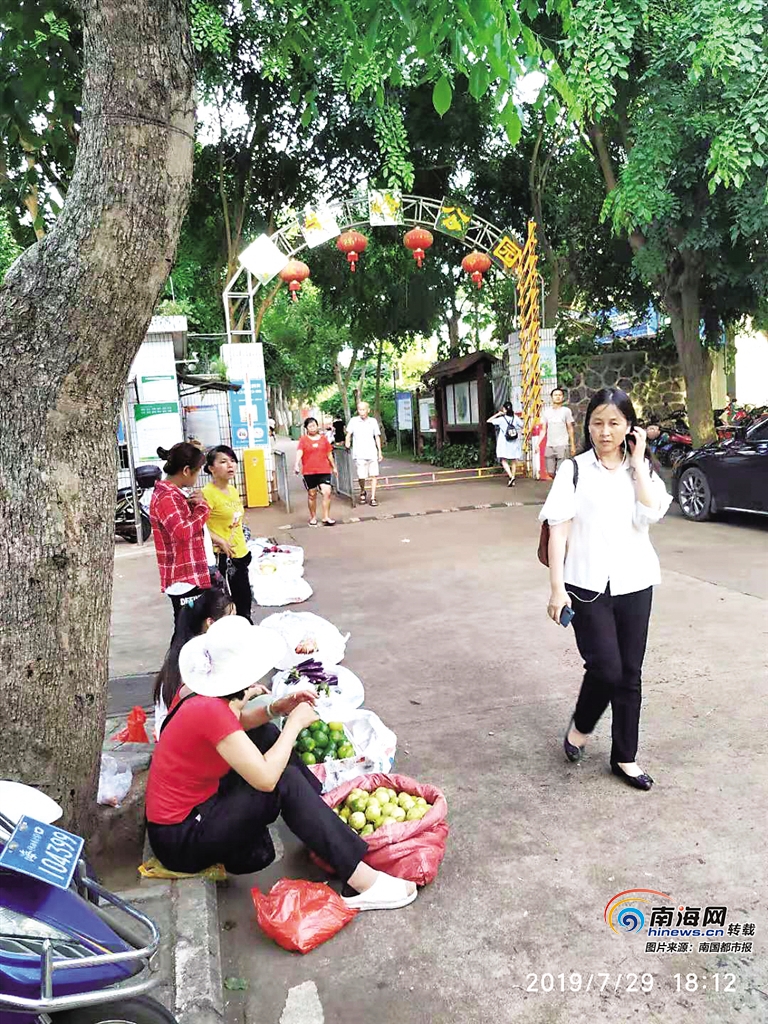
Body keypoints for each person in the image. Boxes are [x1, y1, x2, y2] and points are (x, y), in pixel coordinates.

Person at [145, 616, 417, 911]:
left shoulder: (197, 693)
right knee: (283, 782)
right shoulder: (209, 710)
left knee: (265, 734)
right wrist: (294, 725)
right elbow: (266, 780)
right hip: (182, 839)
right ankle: (361, 882)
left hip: (197, 807)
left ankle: (322, 820)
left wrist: (276, 709)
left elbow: (234, 724)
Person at [539, 387, 671, 791]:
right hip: (586, 584)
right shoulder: (574, 470)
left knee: (630, 673)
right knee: (606, 668)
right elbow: (558, 531)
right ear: (588, 426)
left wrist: (638, 462)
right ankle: (581, 726)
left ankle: (625, 758)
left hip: (636, 581)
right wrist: (557, 589)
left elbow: (651, 513)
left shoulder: (641, 470)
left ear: (629, 426)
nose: (605, 431)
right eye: (597, 422)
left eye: (614, 423)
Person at [152, 588, 237, 739]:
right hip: (187, 738)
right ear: (210, 623)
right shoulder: (201, 661)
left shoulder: (182, 654)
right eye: (231, 619)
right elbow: (226, 713)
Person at [150, 443, 212, 636]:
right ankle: (178, 657)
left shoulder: (175, 493)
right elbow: (182, 531)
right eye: (197, 471)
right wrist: (203, 509)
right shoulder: (167, 497)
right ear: (186, 470)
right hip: (184, 579)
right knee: (188, 635)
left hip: (191, 575)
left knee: (195, 631)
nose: (197, 476)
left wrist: (197, 503)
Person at [202, 445, 253, 621]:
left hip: (240, 555)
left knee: (244, 603)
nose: (230, 465)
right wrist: (219, 540)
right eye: (223, 462)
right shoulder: (207, 494)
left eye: (232, 460)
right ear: (211, 468)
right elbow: (198, 526)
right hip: (222, 558)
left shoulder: (233, 490)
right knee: (224, 608)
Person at [294, 417, 337, 526]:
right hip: (309, 471)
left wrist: (334, 467)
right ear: (306, 428)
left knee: (327, 492)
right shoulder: (303, 440)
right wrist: (296, 464)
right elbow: (300, 452)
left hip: (324, 470)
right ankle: (313, 516)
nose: (313, 428)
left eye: (314, 425)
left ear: (317, 426)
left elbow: (329, 454)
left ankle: (326, 517)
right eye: (310, 426)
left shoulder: (323, 439)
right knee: (312, 494)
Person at [345, 401, 383, 506]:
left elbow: (377, 436)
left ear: (368, 410)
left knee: (374, 475)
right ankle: (362, 491)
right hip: (359, 453)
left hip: (372, 452)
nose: (361, 412)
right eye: (359, 410)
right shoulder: (353, 421)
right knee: (361, 476)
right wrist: (347, 442)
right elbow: (348, 434)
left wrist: (379, 451)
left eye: (363, 410)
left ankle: (373, 497)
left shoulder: (373, 421)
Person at [540, 388, 576, 478]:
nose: (558, 397)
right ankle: (558, 482)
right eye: (555, 395)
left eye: (560, 395)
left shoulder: (566, 411)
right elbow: (543, 430)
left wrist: (572, 445)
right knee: (550, 472)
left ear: (562, 397)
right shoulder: (546, 412)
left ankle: (561, 485)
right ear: (551, 397)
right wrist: (538, 443)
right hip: (550, 445)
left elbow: (570, 428)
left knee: (561, 471)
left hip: (562, 445)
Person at [487, 402, 524, 486]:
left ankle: (511, 476)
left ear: (504, 409)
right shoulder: (515, 417)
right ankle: (513, 478)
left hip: (504, 442)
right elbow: (522, 425)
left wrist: (498, 414)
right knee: (513, 460)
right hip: (514, 441)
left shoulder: (501, 419)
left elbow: (489, 421)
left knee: (503, 459)